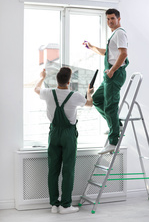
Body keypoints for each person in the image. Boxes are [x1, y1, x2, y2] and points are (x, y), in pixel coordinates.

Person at [34, 67, 93, 214]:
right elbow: (90, 104)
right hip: (68, 135)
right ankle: (65, 205)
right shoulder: (75, 96)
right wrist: (89, 94)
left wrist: (42, 77)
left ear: (57, 80)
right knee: (68, 170)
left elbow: (36, 88)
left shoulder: (48, 93)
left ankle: (54, 205)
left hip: (54, 133)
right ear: (69, 81)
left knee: (53, 170)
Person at [83, 8, 129, 154]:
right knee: (96, 99)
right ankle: (115, 125)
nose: (110, 21)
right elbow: (106, 53)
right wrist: (92, 47)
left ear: (119, 19)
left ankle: (113, 141)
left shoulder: (120, 33)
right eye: (108, 19)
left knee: (110, 106)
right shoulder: (114, 34)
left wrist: (112, 70)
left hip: (114, 75)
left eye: (112, 19)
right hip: (109, 75)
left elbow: (124, 54)